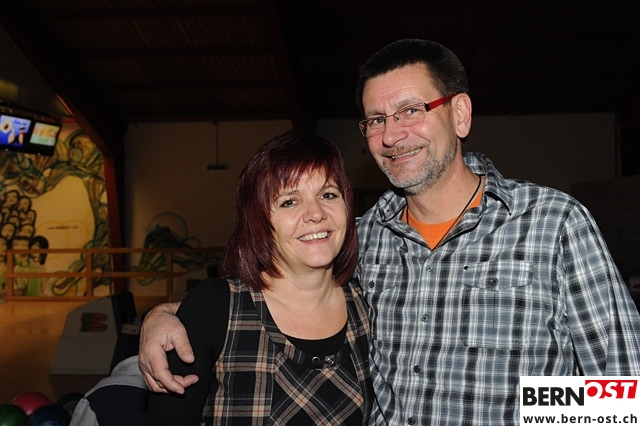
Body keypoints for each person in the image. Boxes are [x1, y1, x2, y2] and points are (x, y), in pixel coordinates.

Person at [138, 39, 640, 425]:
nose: (391, 135)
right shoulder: (361, 239)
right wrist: (163, 316)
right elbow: (268, 291)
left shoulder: (553, 224)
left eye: (410, 111)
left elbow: (623, 394)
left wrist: (522, 407)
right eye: (376, 119)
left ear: (459, 114)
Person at [145, 130, 372, 425]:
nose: (316, 213)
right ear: (259, 221)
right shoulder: (214, 307)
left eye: (328, 194)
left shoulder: (370, 305)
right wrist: (157, 315)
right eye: (289, 201)